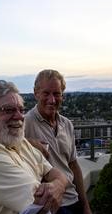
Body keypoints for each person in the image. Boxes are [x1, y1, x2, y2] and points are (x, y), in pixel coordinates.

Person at [0, 80, 68, 214]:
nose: (20, 116)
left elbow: (52, 172)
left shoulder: (17, 141)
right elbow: (45, 205)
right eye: (8, 110)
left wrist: (58, 184)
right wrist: (59, 185)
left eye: (21, 109)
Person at [24, 69, 91, 214]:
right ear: (36, 93)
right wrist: (27, 142)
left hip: (73, 200)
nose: (52, 100)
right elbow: (6, 147)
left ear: (62, 95)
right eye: (46, 93)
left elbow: (73, 165)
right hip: (50, 205)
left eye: (56, 94)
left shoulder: (67, 124)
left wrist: (85, 205)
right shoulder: (25, 123)